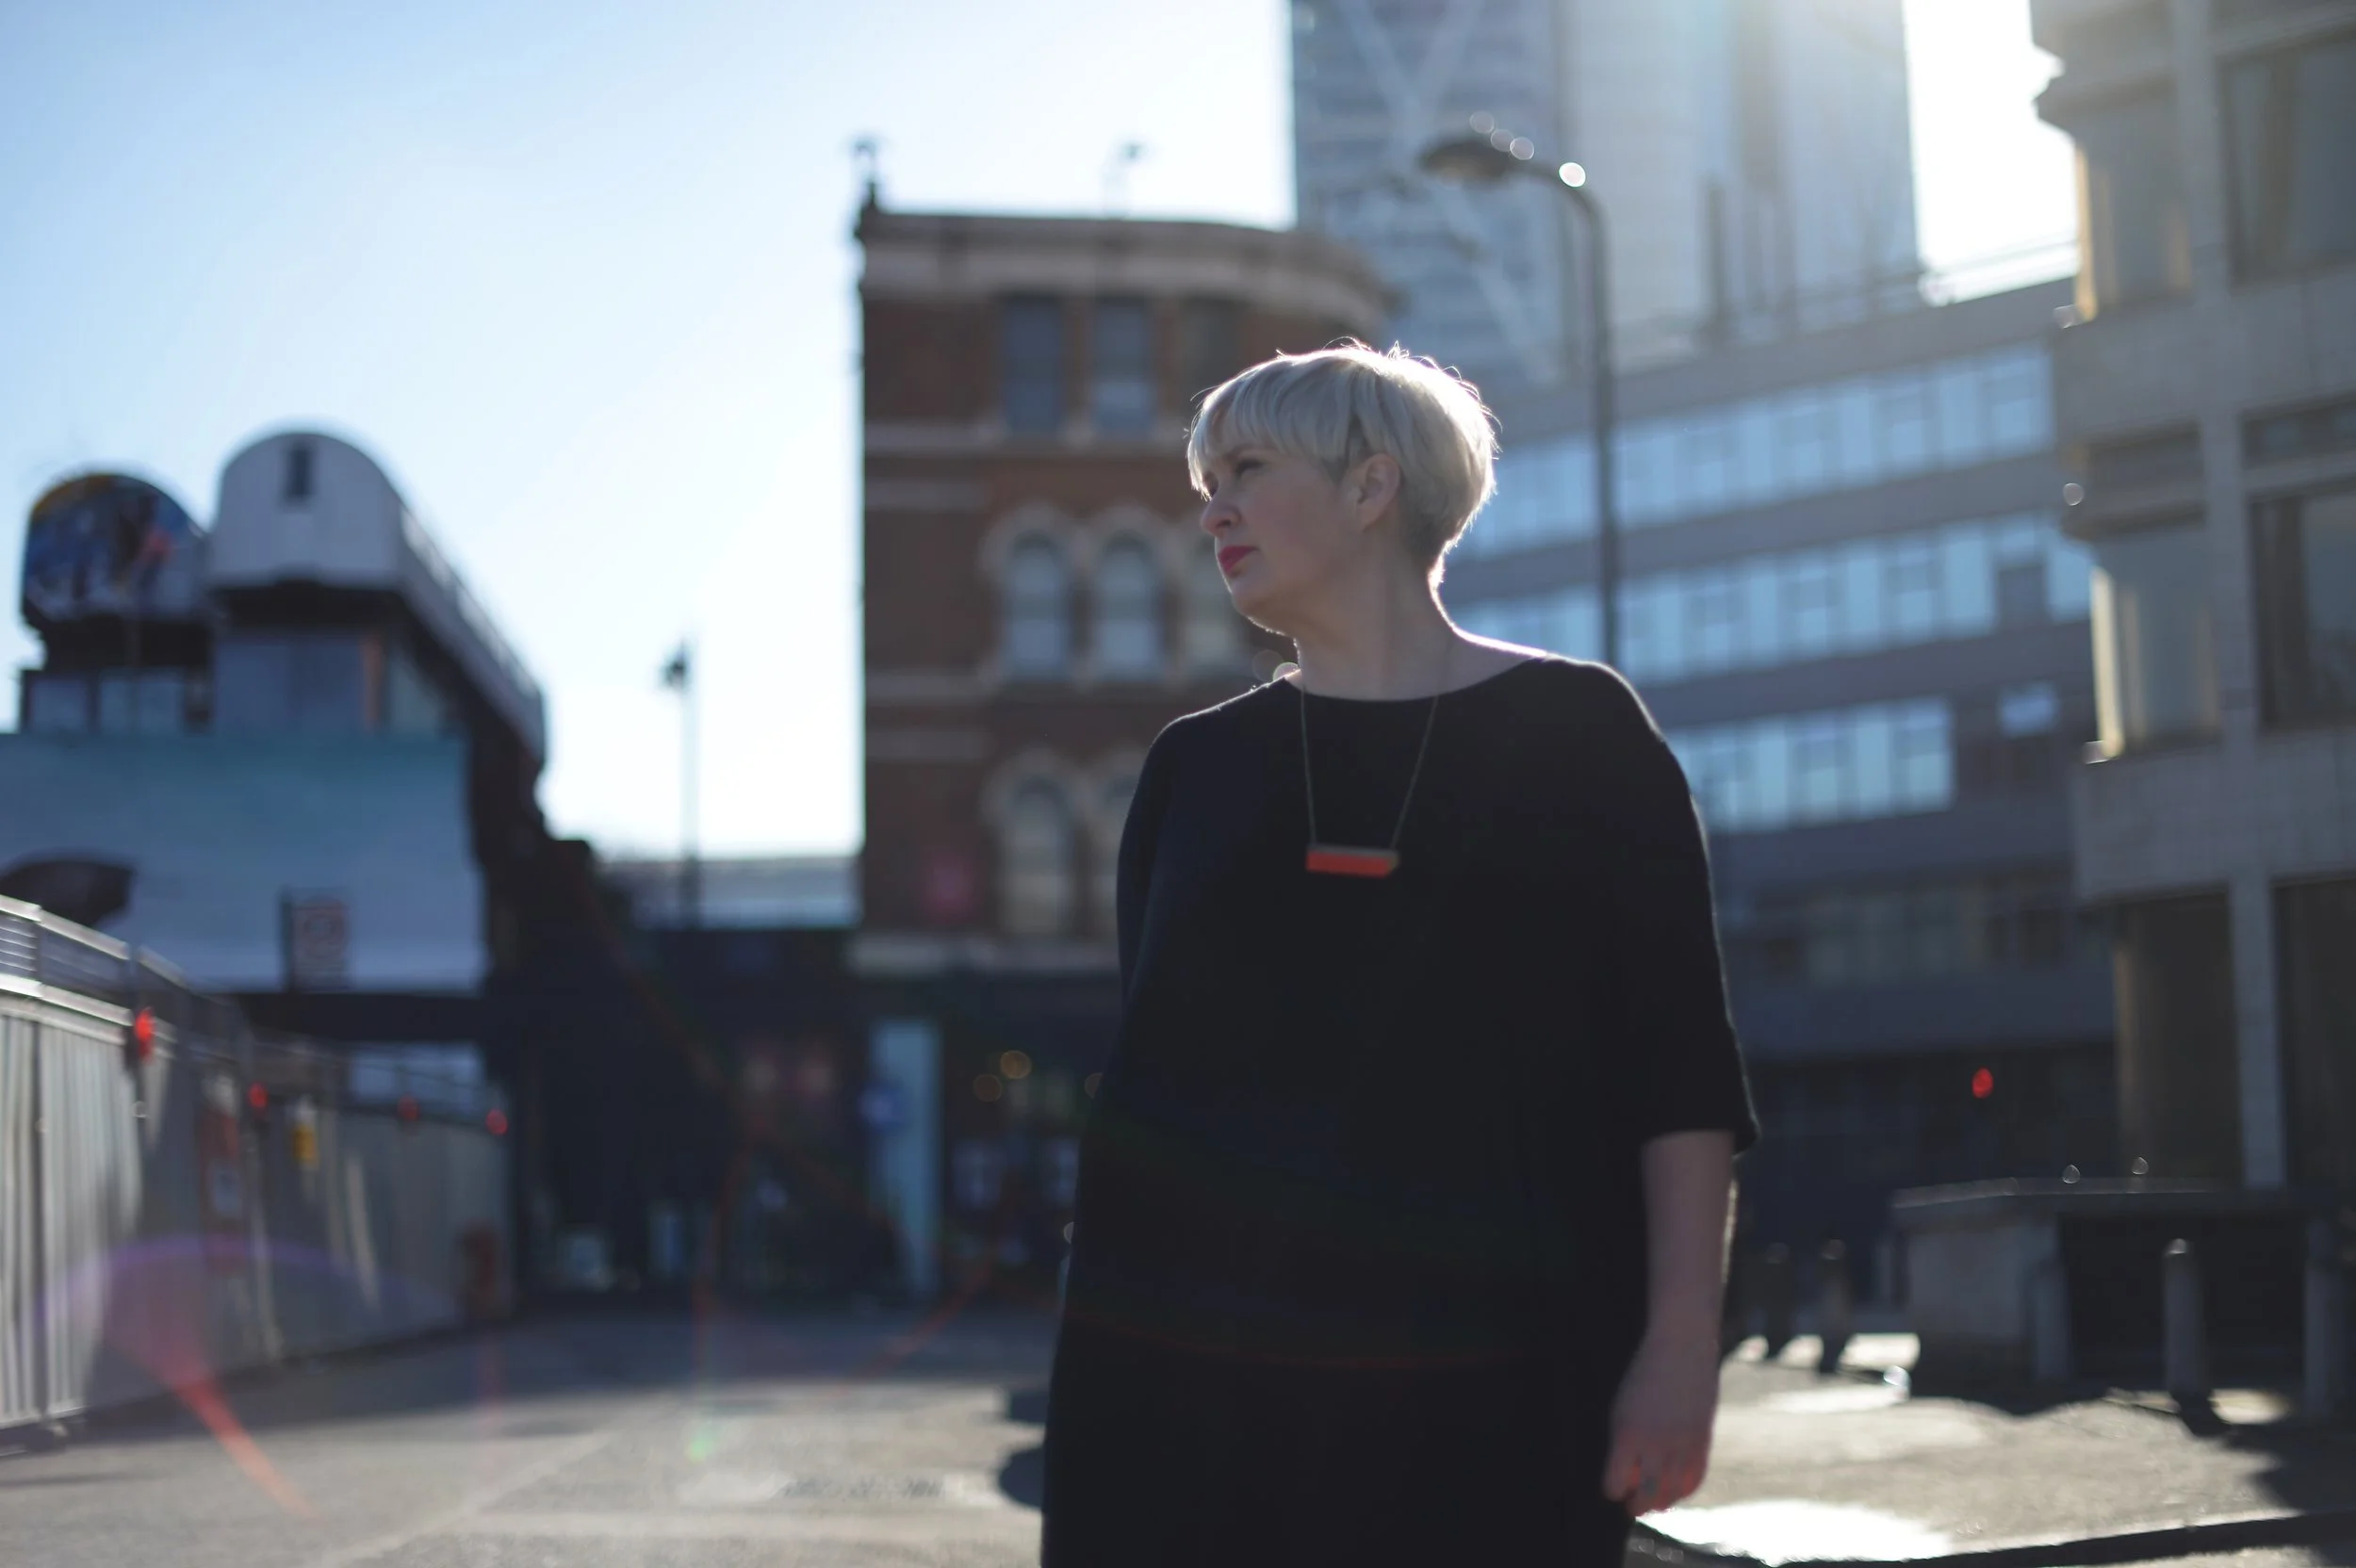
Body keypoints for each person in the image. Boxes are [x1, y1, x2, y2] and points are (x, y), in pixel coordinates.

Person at [1039, 343, 1758, 1566]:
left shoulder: (1583, 737)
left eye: (1249, 468)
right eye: (1207, 475)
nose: (1212, 505)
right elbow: (1151, 1106)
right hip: (1193, 1390)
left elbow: (1679, 1075)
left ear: (1373, 487)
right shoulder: (1194, 774)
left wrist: (1679, 1350)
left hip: (1508, 1382)